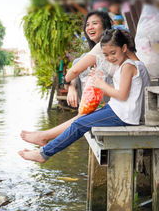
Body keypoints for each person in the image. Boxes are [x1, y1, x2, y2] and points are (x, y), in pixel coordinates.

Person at [18, 29, 150, 163]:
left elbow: (122, 95)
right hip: (117, 110)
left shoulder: (128, 66)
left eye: (113, 53)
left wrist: (101, 85)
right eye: (106, 55)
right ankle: (44, 147)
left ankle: (44, 153)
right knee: (80, 120)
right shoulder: (124, 65)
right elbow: (121, 93)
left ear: (124, 48)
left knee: (79, 125)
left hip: (123, 115)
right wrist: (98, 83)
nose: (110, 58)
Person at [66, 10, 112, 108]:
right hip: (88, 110)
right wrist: (71, 87)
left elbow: (73, 72)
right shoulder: (81, 59)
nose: (90, 27)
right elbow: (74, 73)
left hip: (109, 109)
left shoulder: (110, 53)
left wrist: (66, 80)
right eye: (87, 25)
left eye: (95, 23)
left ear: (105, 27)